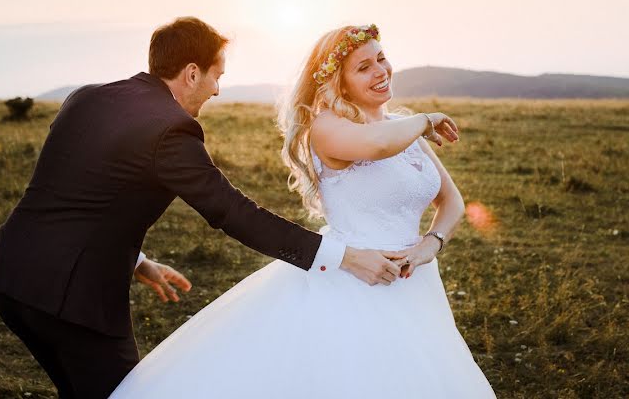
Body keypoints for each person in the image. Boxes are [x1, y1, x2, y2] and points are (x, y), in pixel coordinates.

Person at [0, 17, 404, 399]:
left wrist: (138, 261)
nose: (217, 88)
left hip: (10, 280)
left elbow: (80, 193)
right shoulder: (172, 130)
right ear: (192, 72)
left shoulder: (85, 97)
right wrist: (339, 257)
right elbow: (233, 212)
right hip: (71, 303)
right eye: (217, 75)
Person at [109, 24, 496, 398]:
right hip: (354, 280)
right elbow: (376, 145)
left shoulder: (403, 127)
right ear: (338, 83)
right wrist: (425, 120)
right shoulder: (327, 128)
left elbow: (452, 200)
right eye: (364, 67)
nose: (381, 71)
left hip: (416, 283)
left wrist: (432, 242)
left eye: (381, 59)